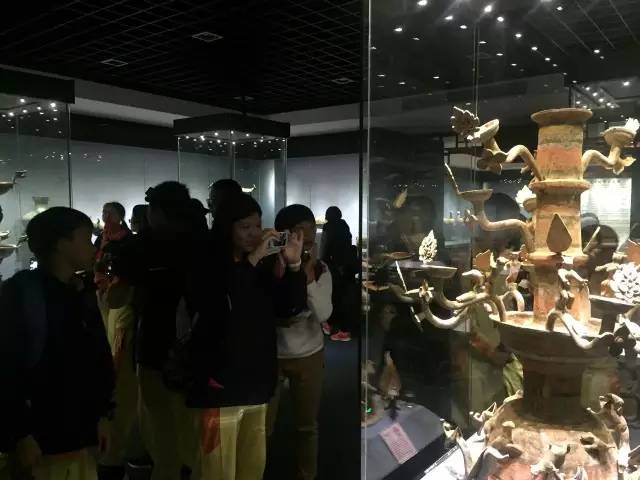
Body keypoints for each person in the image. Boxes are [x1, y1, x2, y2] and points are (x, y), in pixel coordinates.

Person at [186, 193, 307, 480]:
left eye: (257, 226)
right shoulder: (208, 263)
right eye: (245, 227)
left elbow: (289, 309)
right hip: (220, 385)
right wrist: (253, 259)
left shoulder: (261, 265)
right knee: (216, 470)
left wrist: (293, 266)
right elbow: (219, 306)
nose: (254, 234)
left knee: (252, 467)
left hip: (256, 382)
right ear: (226, 227)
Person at [0, 207, 115, 480]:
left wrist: (103, 415)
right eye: (86, 239)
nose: (93, 248)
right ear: (62, 244)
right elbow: (7, 366)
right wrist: (20, 433)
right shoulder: (23, 294)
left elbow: (99, 357)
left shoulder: (81, 290)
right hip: (42, 440)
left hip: (81, 434)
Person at [116, 182, 205, 480]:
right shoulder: (202, 242)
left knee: (160, 423)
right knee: (190, 424)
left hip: (155, 343)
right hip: (196, 346)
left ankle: (167, 470)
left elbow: (121, 292)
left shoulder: (141, 246)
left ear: (156, 212)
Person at [267, 204, 332, 480]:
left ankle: (307, 475)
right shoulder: (267, 265)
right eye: (299, 231)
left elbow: (324, 313)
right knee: (262, 425)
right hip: (270, 353)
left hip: (308, 353)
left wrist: (306, 279)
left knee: (307, 426)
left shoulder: (320, 268)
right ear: (284, 233)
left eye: (311, 229)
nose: (307, 237)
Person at [320, 206, 356, 341]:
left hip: (334, 267)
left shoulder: (328, 227)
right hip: (347, 267)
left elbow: (324, 247)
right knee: (344, 297)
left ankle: (332, 326)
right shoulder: (344, 225)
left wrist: (321, 262)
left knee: (333, 296)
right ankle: (343, 329)